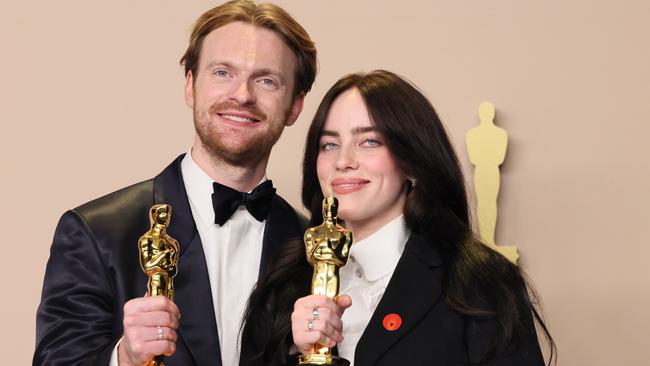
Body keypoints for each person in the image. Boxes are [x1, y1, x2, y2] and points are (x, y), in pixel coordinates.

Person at [33, 1, 316, 365]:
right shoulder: (95, 233)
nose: (242, 95)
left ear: (295, 106)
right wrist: (125, 358)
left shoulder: (312, 247)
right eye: (222, 73)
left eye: (266, 80)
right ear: (190, 86)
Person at [241, 70, 555, 365]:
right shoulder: (282, 283)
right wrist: (295, 352)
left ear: (412, 161)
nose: (343, 161)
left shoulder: (480, 283)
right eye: (330, 144)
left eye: (369, 141)